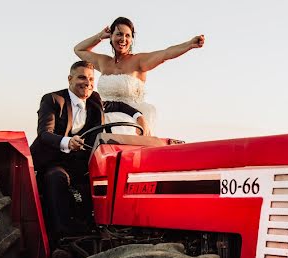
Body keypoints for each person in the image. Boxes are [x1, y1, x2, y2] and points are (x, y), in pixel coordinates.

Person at [30, 60, 146, 238]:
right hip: (55, 160)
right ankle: (63, 236)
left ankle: (105, 229)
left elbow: (118, 105)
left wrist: (139, 117)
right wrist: (67, 142)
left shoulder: (95, 100)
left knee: (109, 179)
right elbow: (45, 133)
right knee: (56, 178)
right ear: (70, 79)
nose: (88, 83)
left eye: (91, 79)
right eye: (82, 77)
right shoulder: (53, 100)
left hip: (82, 162)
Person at [74, 17, 204, 135]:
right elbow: (78, 49)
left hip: (132, 119)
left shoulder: (139, 61)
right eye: (119, 34)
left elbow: (166, 53)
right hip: (105, 116)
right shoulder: (103, 62)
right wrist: (100, 36)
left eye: (127, 36)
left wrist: (189, 45)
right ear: (111, 36)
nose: (123, 39)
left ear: (131, 39)